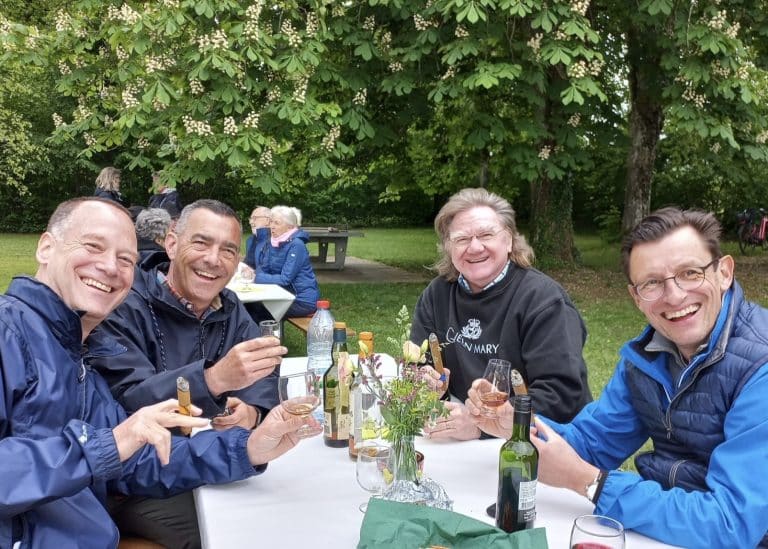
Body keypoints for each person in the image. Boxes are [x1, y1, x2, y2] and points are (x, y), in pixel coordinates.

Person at [0, 197, 318, 549]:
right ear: (46, 247)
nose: (110, 267)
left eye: (125, 259)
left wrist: (250, 446)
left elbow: (139, 455)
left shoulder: (79, 353)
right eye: (93, 246)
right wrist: (211, 381)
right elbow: (127, 421)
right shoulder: (11, 332)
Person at [467, 207, 768, 547]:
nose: (674, 296)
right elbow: (591, 443)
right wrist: (515, 424)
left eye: (690, 273)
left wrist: (592, 483)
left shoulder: (760, 367)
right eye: (652, 283)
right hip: (666, 533)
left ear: (724, 272)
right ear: (636, 297)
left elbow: (733, 524)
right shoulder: (646, 358)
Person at [87, 199, 284, 547]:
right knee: (243, 531)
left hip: (207, 461)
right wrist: (214, 380)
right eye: (201, 243)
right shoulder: (123, 305)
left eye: (228, 250)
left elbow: (264, 370)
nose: (213, 259)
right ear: (172, 243)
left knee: (277, 504)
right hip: (134, 482)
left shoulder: (229, 308)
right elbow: (129, 400)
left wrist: (251, 410)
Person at [411, 187, 591, 441]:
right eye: (462, 239)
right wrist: (428, 386)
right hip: (467, 446)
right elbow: (418, 366)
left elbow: (560, 397)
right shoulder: (438, 294)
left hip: (545, 443)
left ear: (509, 240)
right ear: (448, 247)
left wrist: (481, 427)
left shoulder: (544, 301)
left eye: (486, 234)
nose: (475, 247)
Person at [252, 205, 320, 319]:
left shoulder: (297, 245)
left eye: (277, 223)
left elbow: (285, 279)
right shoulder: (273, 242)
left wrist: (256, 278)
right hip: (283, 295)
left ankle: (269, 336)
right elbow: (264, 268)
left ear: (289, 227)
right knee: (252, 305)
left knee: (260, 311)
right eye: (271, 222)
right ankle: (262, 335)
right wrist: (254, 274)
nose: (272, 226)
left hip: (302, 301)